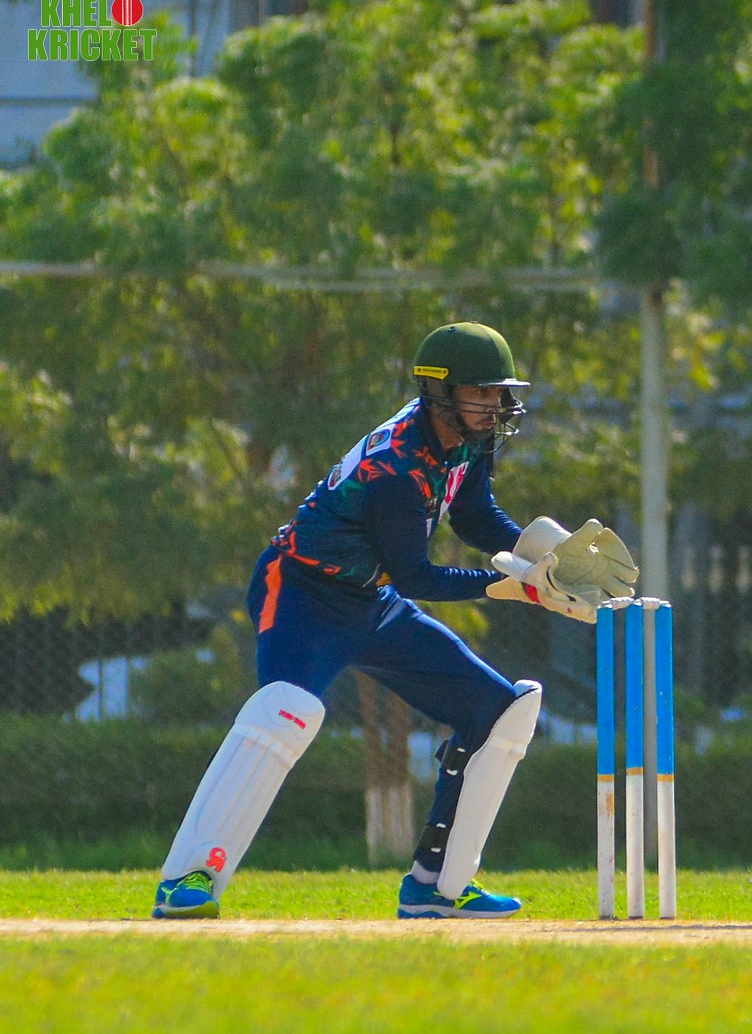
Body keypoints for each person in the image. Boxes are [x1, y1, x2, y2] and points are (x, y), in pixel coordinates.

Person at [152, 322, 637, 920]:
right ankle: (187, 878)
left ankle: (436, 885)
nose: (494, 405)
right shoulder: (397, 467)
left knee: (495, 711)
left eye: (499, 393)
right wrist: (516, 588)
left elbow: (474, 516)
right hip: (303, 594)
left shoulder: (467, 437)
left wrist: (542, 558)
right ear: (440, 392)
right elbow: (417, 577)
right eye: (480, 393)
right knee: (284, 713)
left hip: (372, 602)